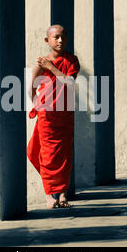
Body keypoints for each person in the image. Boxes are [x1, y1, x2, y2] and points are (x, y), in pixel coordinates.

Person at [27, 25, 80, 209]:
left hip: (65, 114)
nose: (60, 41)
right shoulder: (41, 63)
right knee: (47, 155)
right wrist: (38, 105)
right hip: (47, 115)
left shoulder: (72, 61)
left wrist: (52, 67)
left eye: (63, 37)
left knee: (64, 154)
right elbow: (31, 88)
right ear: (47, 40)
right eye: (56, 37)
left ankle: (63, 195)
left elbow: (69, 82)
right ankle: (50, 196)